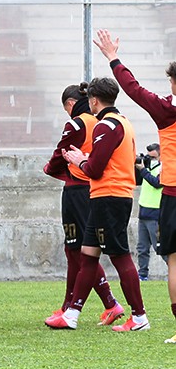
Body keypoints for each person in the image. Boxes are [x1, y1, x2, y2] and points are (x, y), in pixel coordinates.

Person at [94, 29, 176, 339]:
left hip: (172, 192)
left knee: (174, 260)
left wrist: (113, 57)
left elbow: (132, 88)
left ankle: (161, 321)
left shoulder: (166, 110)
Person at [53, 76, 150, 332]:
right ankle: (72, 314)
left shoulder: (105, 126)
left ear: (94, 100)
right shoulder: (123, 122)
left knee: (119, 255)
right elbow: (107, 160)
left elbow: (95, 170)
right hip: (105, 196)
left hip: (110, 196)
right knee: (87, 255)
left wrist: (78, 161)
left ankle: (139, 317)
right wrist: (87, 158)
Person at [42, 82, 124, 328]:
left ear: (69, 104)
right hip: (94, 189)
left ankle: (109, 303)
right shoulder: (101, 123)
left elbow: (61, 152)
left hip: (77, 190)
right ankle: (70, 306)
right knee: (76, 250)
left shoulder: (77, 123)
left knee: (77, 250)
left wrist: (50, 169)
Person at [138, 143, 163, 280]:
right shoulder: (147, 167)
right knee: (142, 248)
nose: (150, 159)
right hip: (143, 212)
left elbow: (157, 183)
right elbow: (137, 181)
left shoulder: (164, 168)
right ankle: (142, 274)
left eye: (153, 157)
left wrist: (143, 170)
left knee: (159, 247)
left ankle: (172, 271)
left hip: (155, 213)